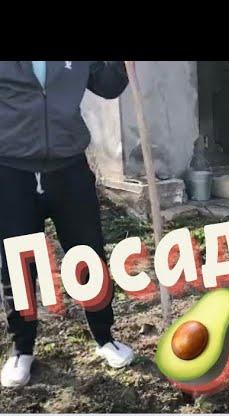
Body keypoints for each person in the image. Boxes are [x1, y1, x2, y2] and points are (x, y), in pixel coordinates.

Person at [0, 61, 135, 388]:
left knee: (88, 256)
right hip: (11, 171)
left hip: (69, 168)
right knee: (17, 263)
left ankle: (105, 337)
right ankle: (22, 348)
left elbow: (110, 85)